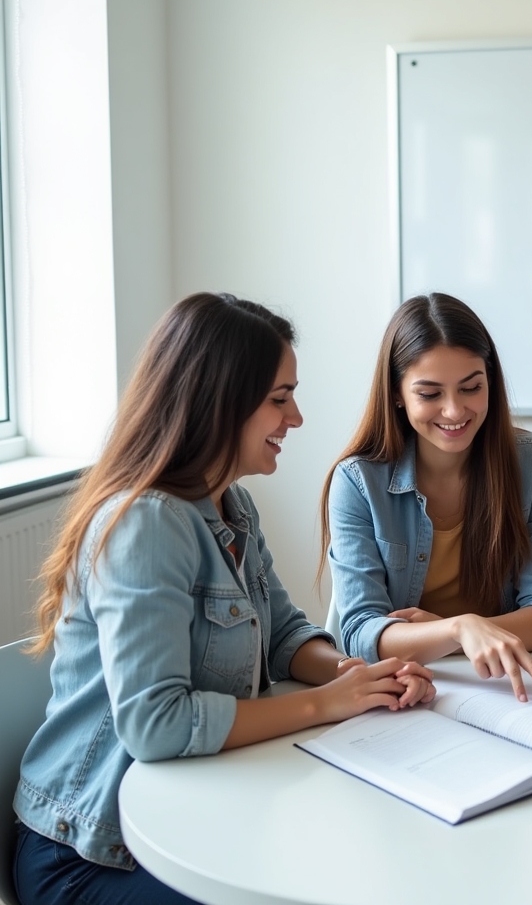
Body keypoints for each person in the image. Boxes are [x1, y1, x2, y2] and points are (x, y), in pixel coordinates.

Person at [13, 294, 434, 905]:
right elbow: (155, 724)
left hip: (187, 816)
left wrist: (360, 676)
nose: (297, 419)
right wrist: (327, 705)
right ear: (219, 403)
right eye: (279, 399)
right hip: (86, 853)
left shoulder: (231, 504)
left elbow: (285, 633)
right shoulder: (145, 524)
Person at [320, 292, 532, 703]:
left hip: (494, 688)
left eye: (471, 387)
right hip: (407, 693)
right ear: (398, 393)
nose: (455, 411)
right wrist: (459, 629)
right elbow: (360, 633)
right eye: (431, 394)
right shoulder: (357, 480)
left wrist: (447, 634)